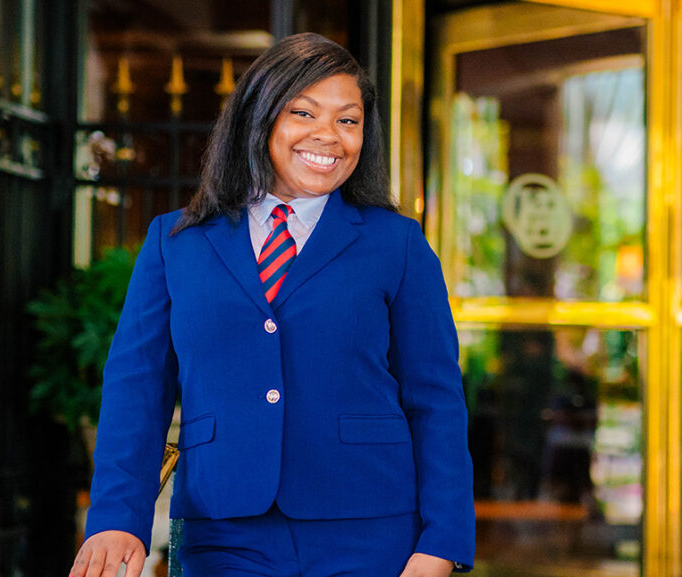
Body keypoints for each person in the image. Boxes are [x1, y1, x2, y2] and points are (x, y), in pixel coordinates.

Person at [69, 33, 475, 577]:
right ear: (258, 119)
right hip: (221, 531)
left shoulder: (397, 245)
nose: (328, 136)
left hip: (371, 530)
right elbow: (137, 388)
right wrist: (118, 517)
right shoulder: (175, 243)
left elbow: (437, 402)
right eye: (302, 112)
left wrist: (441, 545)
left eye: (348, 120)